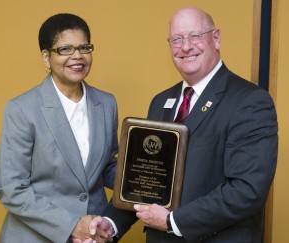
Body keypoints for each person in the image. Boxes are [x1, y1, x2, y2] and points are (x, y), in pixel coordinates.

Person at [85, 6, 278, 243]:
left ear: (216, 38)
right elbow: (146, 182)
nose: (185, 46)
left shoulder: (249, 101)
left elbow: (247, 190)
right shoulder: (160, 103)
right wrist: (111, 224)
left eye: (195, 36)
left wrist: (173, 221)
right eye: (176, 39)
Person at [0, 13, 117, 243]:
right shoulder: (22, 109)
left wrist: (146, 183)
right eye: (65, 49)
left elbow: (108, 166)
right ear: (46, 58)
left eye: (84, 47)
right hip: (35, 237)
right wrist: (71, 225)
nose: (77, 56)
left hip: (94, 234)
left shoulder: (107, 103)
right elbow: (11, 188)